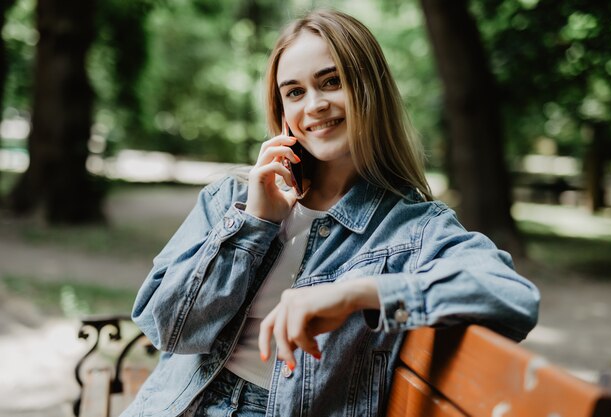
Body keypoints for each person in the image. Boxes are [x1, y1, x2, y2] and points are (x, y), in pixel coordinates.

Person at [120, 9, 540, 417]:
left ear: (369, 89)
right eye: (295, 92)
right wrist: (252, 224)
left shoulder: (413, 228)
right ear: (282, 110)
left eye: (332, 82)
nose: (315, 104)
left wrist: (357, 295)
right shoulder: (231, 199)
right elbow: (167, 328)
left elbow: (513, 300)